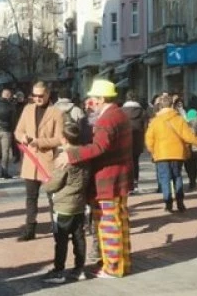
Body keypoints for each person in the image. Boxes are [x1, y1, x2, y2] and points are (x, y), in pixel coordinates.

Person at [54, 79, 133, 279]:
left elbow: (99, 147)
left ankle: (112, 266)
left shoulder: (107, 120)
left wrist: (72, 154)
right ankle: (121, 262)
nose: (90, 101)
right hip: (119, 176)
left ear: (101, 98)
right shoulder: (119, 114)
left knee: (108, 223)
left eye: (93, 98)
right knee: (120, 221)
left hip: (107, 179)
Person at [14, 81, 64, 242]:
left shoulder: (56, 112)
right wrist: (22, 137)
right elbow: (18, 131)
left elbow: (59, 139)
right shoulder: (27, 109)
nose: (37, 98)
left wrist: (39, 142)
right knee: (31, 197)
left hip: (48, 160)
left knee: (53, 197)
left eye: (40, 95)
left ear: (48, 94)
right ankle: (30, 229)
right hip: (30, 160)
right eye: (34, 95)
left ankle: (57, 227)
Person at [40, 123, 91, 283]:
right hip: (80, 203)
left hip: (64, 204)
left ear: (63, 139)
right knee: (79, 237)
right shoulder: (85, 155)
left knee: (61, 240)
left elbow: (55, 183)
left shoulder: (64, 158)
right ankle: (79, 269)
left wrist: (45, 183)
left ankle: (59, 270)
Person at [147, 94, 197, 213]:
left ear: (160, 106)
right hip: (177, 154)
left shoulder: (155, 122)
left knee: (165, 179)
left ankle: (168, 203)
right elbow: (188, 137)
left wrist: (153, 152)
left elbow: (149, 140)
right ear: (172, 105)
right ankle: (180, 202)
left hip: (161, 155)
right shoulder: (179, 119)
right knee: (177, 177)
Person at [122, 91, 147, 194]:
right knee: (135, 162)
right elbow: (145, 127)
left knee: (125, 163)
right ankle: (135, 183)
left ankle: (126, 183)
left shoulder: (121, 111)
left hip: (124, 141)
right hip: (137, 141)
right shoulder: (142, 112)